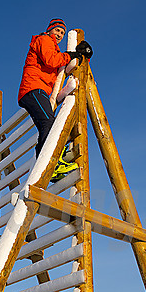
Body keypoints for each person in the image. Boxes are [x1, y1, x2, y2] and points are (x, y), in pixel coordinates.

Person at [17, 19, 92, 180]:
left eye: (62, 33)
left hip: (39, 89)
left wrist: (83, 57)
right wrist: (71, 55)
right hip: (33, 88)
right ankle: (49, 163)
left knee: (47, 124)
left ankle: (46, 162)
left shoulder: (53, 46)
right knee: (48, 123)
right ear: (50, 30)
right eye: (57, 30)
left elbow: (63, 66)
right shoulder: (43, 40)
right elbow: (52, 60)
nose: (59, 35)